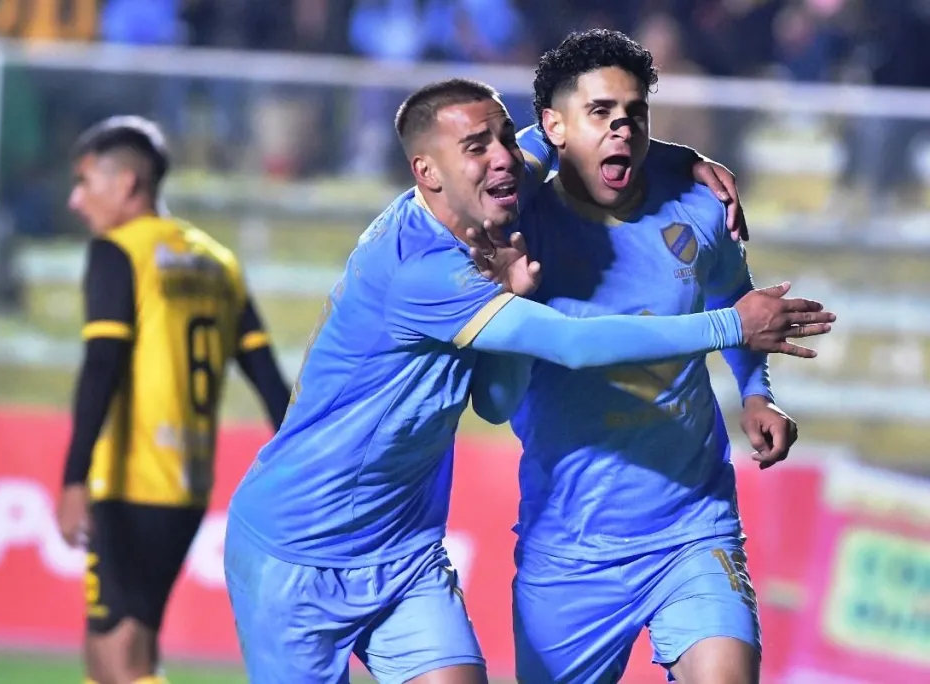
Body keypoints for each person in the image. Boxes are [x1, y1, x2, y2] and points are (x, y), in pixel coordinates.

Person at [224, 78, 834, 684]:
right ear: (427, 174)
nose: (502, 157)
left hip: (404, 547)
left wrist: (683, 158)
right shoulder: (423, 269)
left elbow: (495, 398)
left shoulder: (489, 187)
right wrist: (731, 324)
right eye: (477, 148)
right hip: (298, 548)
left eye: (502, 139)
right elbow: (572, 342)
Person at [484, 29, 803, 684]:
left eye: (634, 115)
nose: (622, 130)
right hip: (570, 547)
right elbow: (489, 165)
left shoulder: (697, 209)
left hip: (691, 525)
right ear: (553, 127)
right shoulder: (521, 224)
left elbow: (734, 298)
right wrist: (683, 152)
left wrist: (755, 393)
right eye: (600, 114)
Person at [54, 116, 290, 684]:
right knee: (110, 652)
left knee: (122, 655)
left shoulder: (119, 252)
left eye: (86, 183)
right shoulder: (217, 261)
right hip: (187, 482)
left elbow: (102, 366)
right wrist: (296, 462)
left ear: (127, 184)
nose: (75, 200)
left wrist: (73, 475)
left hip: (130, 478)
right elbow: (269, 381)